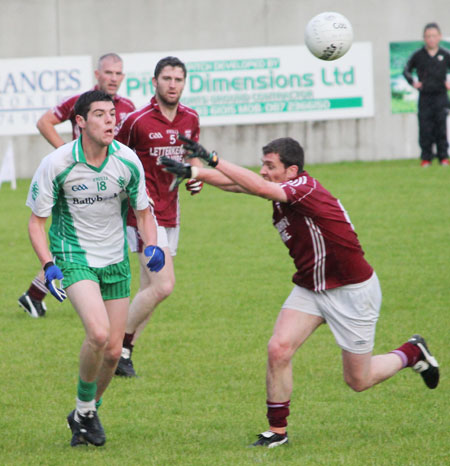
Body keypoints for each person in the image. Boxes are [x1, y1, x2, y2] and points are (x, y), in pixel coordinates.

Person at [161, 135, 440, 448]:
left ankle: (412, 352)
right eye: (263, 164)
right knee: (278, 348)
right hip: (312, 286)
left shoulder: (304, 188)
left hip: (351, 290)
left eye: (270, 166)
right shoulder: (283, 190)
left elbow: (258, 186)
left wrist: (211, 160)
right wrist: (193, 172)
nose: (263, 171)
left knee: (358, 381)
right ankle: (277, 432)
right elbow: (239, 184)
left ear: (292, 170)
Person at [26, 90, 165, 447]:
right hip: (74, 258)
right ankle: (85, 410)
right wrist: (49, 265)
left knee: (115, 352)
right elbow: (36, 223)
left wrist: (151, 246)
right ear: (81, 123)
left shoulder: (127, 160)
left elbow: (144, 213)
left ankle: (85, 412)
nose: (110, 121)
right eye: (100, 114)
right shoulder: (57, 163)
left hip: (115, 260)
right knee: (99, 335)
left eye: (112, 114)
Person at [19, 53, 135, 318]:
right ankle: (40, 293)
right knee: (75, 240)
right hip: (75, 184)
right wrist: (67, 155)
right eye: (108, 73)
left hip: (109, 184)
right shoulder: (79, 102)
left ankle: (36, 294)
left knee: (91, 242)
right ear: (97, 75)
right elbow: (44, 122)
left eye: (118, 74)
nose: (113, 78)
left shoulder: (128, 106)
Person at [113, 56, 203, 377]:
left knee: (149, 290)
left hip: (171, 212)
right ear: (155, 82)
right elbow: (114, 157)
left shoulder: (190, 118)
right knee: (163, 286)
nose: (172, 85)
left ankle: (123, 353)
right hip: (142, 215)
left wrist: (195, 177)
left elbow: (193, 158)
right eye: (166, 78)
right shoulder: (137, 121)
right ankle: (114, 343)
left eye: (178, 79)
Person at [403, 22, 450, 167]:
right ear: (424, 38)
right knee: (425, 128)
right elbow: (406, 70)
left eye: (434, 36)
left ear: (439, 37)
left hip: (441, 96)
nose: (431, 39)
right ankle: (426, 158)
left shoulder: (445, 55)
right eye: (428, 36)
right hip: (425, 97)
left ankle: (443, 157)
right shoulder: (418, 55)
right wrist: (413, 83)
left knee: (441, 127)